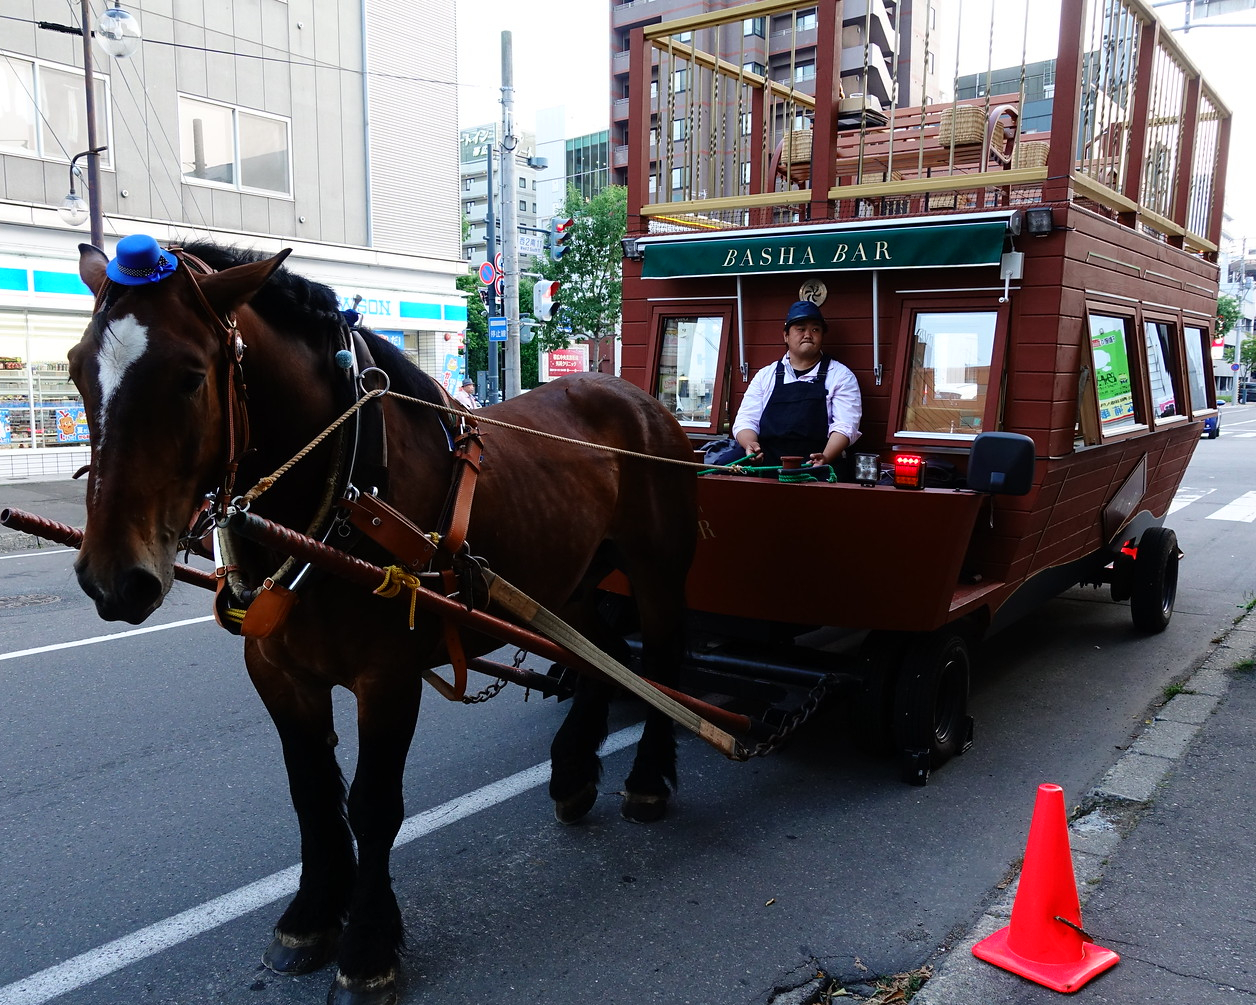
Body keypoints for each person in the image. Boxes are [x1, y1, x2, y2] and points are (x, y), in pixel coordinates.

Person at [732, 300, 861, 467]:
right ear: (786, 335)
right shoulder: (765, 375)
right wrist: (750, 444)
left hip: (815, 464)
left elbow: (845, 426)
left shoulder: (841, 376)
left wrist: (826, 457)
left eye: (815, 329)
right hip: (767, 462)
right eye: (800, 329)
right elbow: (746, 420)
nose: (808, 335)